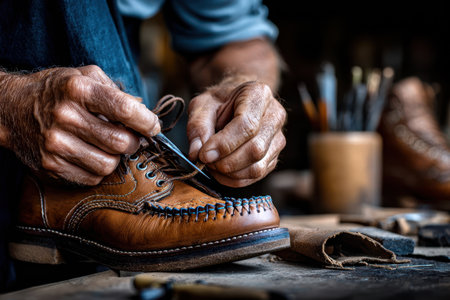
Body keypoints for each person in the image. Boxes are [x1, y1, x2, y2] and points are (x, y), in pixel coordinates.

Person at [0, 0, 286, 287]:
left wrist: (239, 84)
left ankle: (68, 196)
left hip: (105, 207)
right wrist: (8, 103)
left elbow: (234, 39)